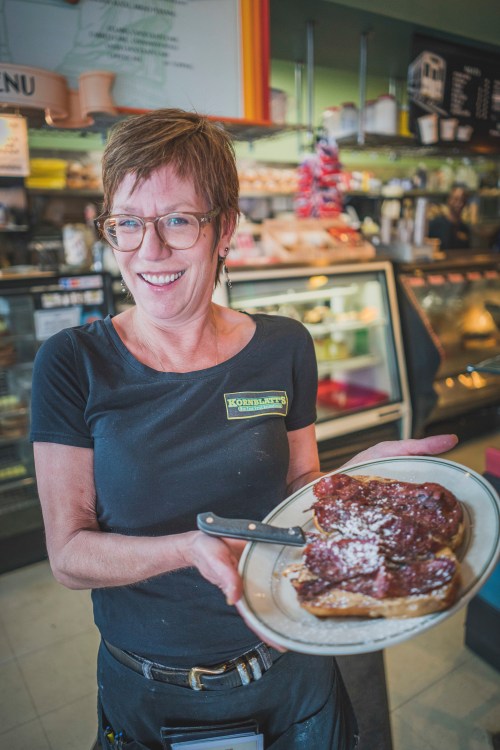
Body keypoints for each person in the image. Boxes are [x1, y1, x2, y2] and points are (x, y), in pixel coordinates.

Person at [30, 107, 459, 750]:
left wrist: (359, 482)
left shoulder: (284, 345)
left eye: (178, 220)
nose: (150, 251)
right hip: (147, 687)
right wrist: (188, 548)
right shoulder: (73, 363)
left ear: (224, 228)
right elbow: (68, 555)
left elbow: (301, 484)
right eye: (127, 224)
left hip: (290, 665)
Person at [427, 184, 471, 251]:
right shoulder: (436, 224)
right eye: (456, 199)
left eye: (462, 200)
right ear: (449, 200)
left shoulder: (464, 228)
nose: (459, 203)